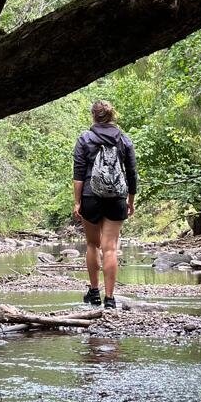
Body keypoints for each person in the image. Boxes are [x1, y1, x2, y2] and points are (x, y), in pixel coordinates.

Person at [73, 99, 137, 310]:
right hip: (116, 198)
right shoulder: (125, 140)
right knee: (110, 248)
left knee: (93, 245)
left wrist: (77, 201)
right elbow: (131, 173)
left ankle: (93, 293)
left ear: (93, 116)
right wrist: (130, 200)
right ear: (112, 116)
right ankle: (110, 299)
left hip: (90, 197)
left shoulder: (85, 138)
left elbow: (79, 174)